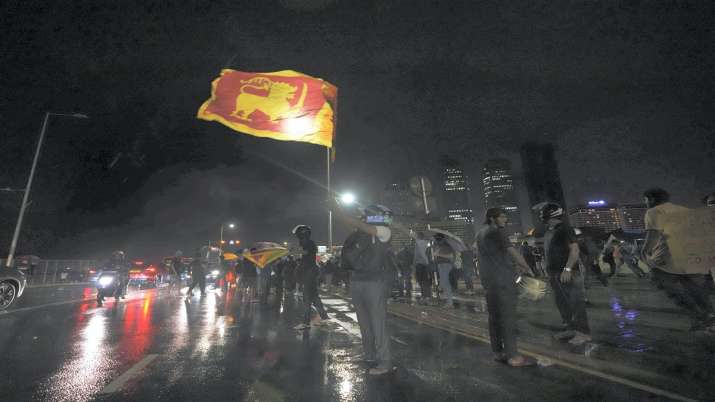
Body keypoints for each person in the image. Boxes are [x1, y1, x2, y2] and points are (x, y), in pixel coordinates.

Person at [331, 201, 395, 376]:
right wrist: (340, 212)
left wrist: (339, 210)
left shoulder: (384, 231)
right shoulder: (361, 233)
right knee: (364, 322)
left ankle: (385, 362)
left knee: (377, 322)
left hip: (374, 282)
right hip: (357, 280)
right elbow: (354, 225)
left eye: (369, 214)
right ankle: (369, 355)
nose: (365, 217)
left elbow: (356, 223)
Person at [641, 188, 715, 332]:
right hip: (693, 259)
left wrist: (644, 253)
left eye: (645, 200)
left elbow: (652, 238)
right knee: (696, 290)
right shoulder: (685, 210)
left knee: (664, 284)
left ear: (650, 199)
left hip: (668, 260)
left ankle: (700, 316)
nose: (645, 203)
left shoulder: (654, 212)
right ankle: (709, 315)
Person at [477, 208, 537, 367]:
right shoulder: (496, 232)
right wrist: (526, 267)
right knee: (508, 318)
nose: (505, 219)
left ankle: (498, 351)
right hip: (503, 280)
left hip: (489, 281)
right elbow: (512, 252)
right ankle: (514, 357)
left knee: (494, 317)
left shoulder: (480, 233)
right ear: (492, 218)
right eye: (502, 217)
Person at [540, 202, 592, 345]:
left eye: (544, 214)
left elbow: (574, 250)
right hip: (554, 273)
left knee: (576, 303)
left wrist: (567, 269)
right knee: (562, 303)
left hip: (568, 273)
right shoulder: (549, 232)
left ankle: (583, 333)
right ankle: (570, 328)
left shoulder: (565, 229)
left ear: (550, 215)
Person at [292, 225, 329, 330]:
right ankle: (324, 317)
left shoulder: (308, 243)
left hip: (309, 273)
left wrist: (294, 251)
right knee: (314, 297)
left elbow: (306, 252)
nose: (297, 237)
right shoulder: (307, 242)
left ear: (302, 234)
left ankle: (305, 322)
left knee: (307, 298)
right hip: (310, 272)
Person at [432, 233, 456, 308]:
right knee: (443, 283)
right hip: (441, 265)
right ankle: (447, 299)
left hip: (445, 265)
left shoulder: (446, 245)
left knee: (445, 283)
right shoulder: (439, 246)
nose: (435, 240)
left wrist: (438, 255)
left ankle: (450, 303)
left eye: (436, 239)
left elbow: (451, 256)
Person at [411, 231, 432, 302]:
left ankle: (424, 296)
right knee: (425, 280)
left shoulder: (417, 243)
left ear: (418, 237)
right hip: (426, 263)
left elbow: (416, 255)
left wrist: (413, 264)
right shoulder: (427, 242)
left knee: (420, 280)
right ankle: (427, 296)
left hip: (419, 264)